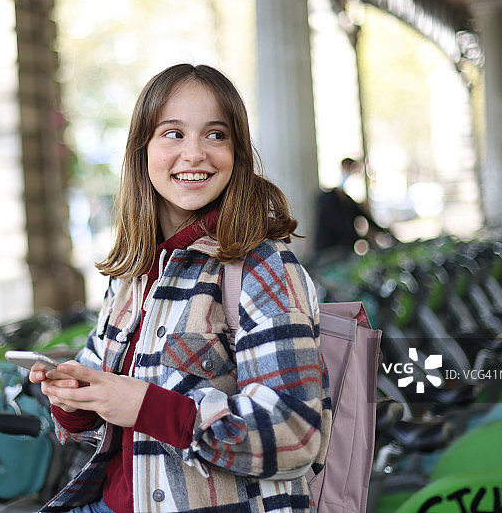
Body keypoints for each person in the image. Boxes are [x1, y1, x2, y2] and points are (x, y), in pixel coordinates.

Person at [30, 64, 331, 513]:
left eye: (215, 135)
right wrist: (77, 400)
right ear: (143, 150)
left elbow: (295, 433)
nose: (195, 154)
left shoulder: (262, 266)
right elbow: (111, 416)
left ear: (237, 152)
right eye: (173, 133)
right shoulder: (132, 270)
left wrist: (151, 407)